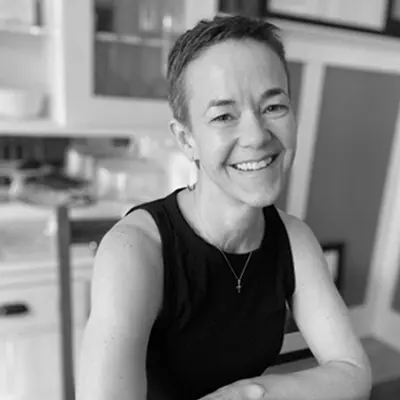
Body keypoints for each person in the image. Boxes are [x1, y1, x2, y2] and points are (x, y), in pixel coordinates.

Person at [76, 15, 372, 400]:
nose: (256, 136)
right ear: (187, 140)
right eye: (223, 116)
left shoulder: (294, 239)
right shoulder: (134, 250)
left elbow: (353, 371)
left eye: (274, 107)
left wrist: (250, 393)